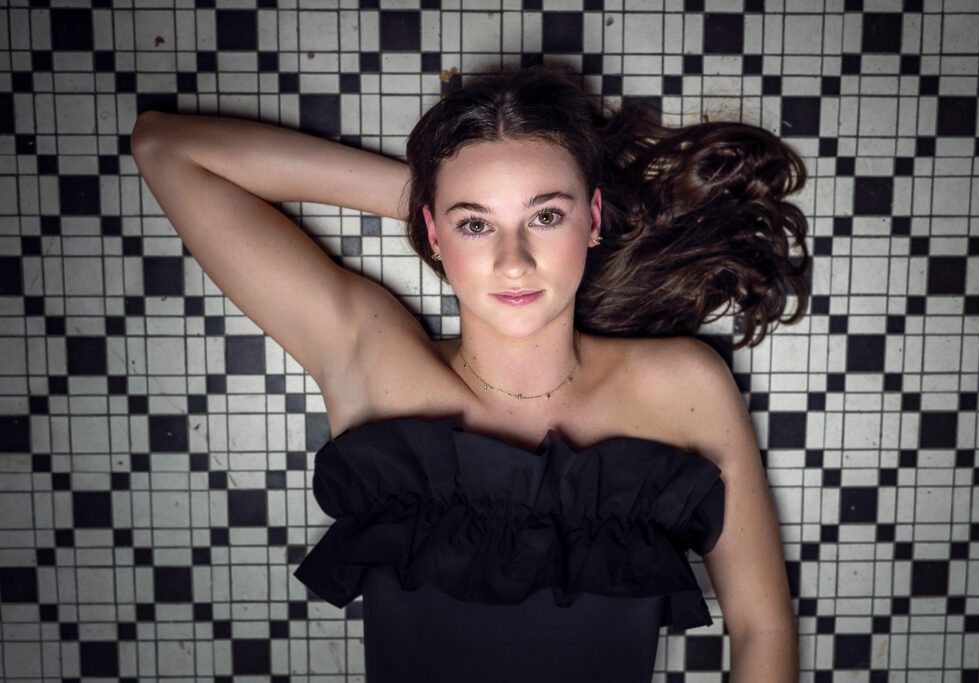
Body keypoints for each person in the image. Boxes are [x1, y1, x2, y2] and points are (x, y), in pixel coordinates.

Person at [131, 64, 807, 682]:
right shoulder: (374, 359)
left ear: (593, 218)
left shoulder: (684, 388)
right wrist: (434, 201)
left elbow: (762, 626)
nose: (514, 261)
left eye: (546, 215)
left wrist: (461, 207)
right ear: (431, 232)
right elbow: (165, 149)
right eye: (476, 225)